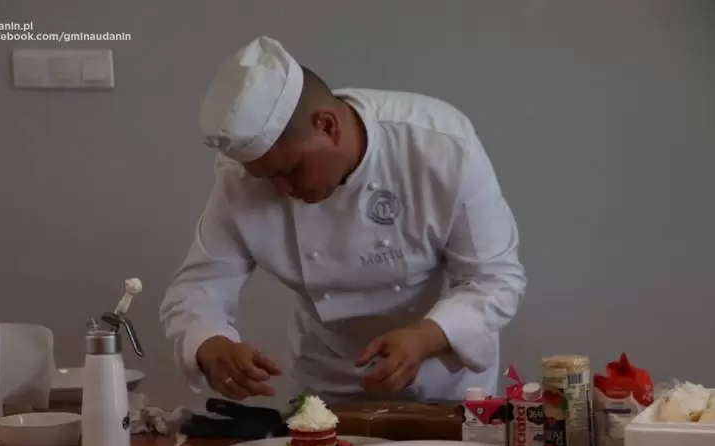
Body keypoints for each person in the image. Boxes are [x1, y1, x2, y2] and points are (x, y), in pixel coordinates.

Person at [160, 36, 526, 405]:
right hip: (328, 380)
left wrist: (424, 338)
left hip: (444, 381)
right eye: (266, 178)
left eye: (290, 171)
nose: (281, 190)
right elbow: (199, 284)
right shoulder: (241, 179)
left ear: (328, 125)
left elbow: (494, 279)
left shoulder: (440, 147)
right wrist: (211, 344)